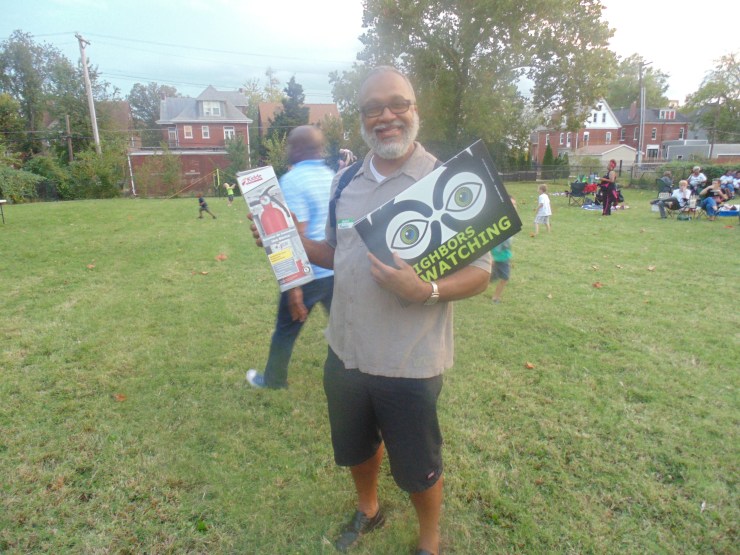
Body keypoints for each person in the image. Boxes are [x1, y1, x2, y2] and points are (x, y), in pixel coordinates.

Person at [252, 66, 490, 555]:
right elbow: (335, 252)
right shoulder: (345, 181)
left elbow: (481, 272)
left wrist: (424, 289)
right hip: (346, 352)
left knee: (418, 466)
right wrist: (291, 238)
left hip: (409, 359)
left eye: (397, 103)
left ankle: (429, 542)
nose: (386, 116)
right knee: (356, 448)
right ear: (360, 118)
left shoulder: (446, 181)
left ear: (415, 109)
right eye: (372, 108)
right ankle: (369, 509)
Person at [246, 126, 335, 390]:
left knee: (286, 329)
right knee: (344, 330)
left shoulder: (292, 181)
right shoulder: (332, 176)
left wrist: (293, 287)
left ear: (297, 149)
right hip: (334, 271)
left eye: (289, 146)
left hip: (308, 274)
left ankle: (274, 381)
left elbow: (291, 235)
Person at [490, 237, 513, 303]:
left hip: (504, 259)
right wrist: (491, 258)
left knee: (505, 277)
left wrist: (509, 260)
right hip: (494, 260)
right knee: (490, 278)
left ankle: (495, 297)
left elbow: (508, 247)